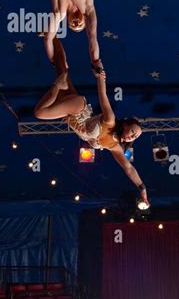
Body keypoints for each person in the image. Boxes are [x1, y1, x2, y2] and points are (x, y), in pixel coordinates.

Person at [34, 37, 149, 205]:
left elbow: (129, 168)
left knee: (61, 66)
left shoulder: (114, 147)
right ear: (125, 125)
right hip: (78, 108)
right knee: (39, 113)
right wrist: (99, 73)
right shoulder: (110, 120)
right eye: (133, 131)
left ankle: (52, 34)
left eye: (135, 137)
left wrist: (142, 188)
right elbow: (103, 96)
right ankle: (58, 86)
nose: (133, 137)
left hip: (72, 116)